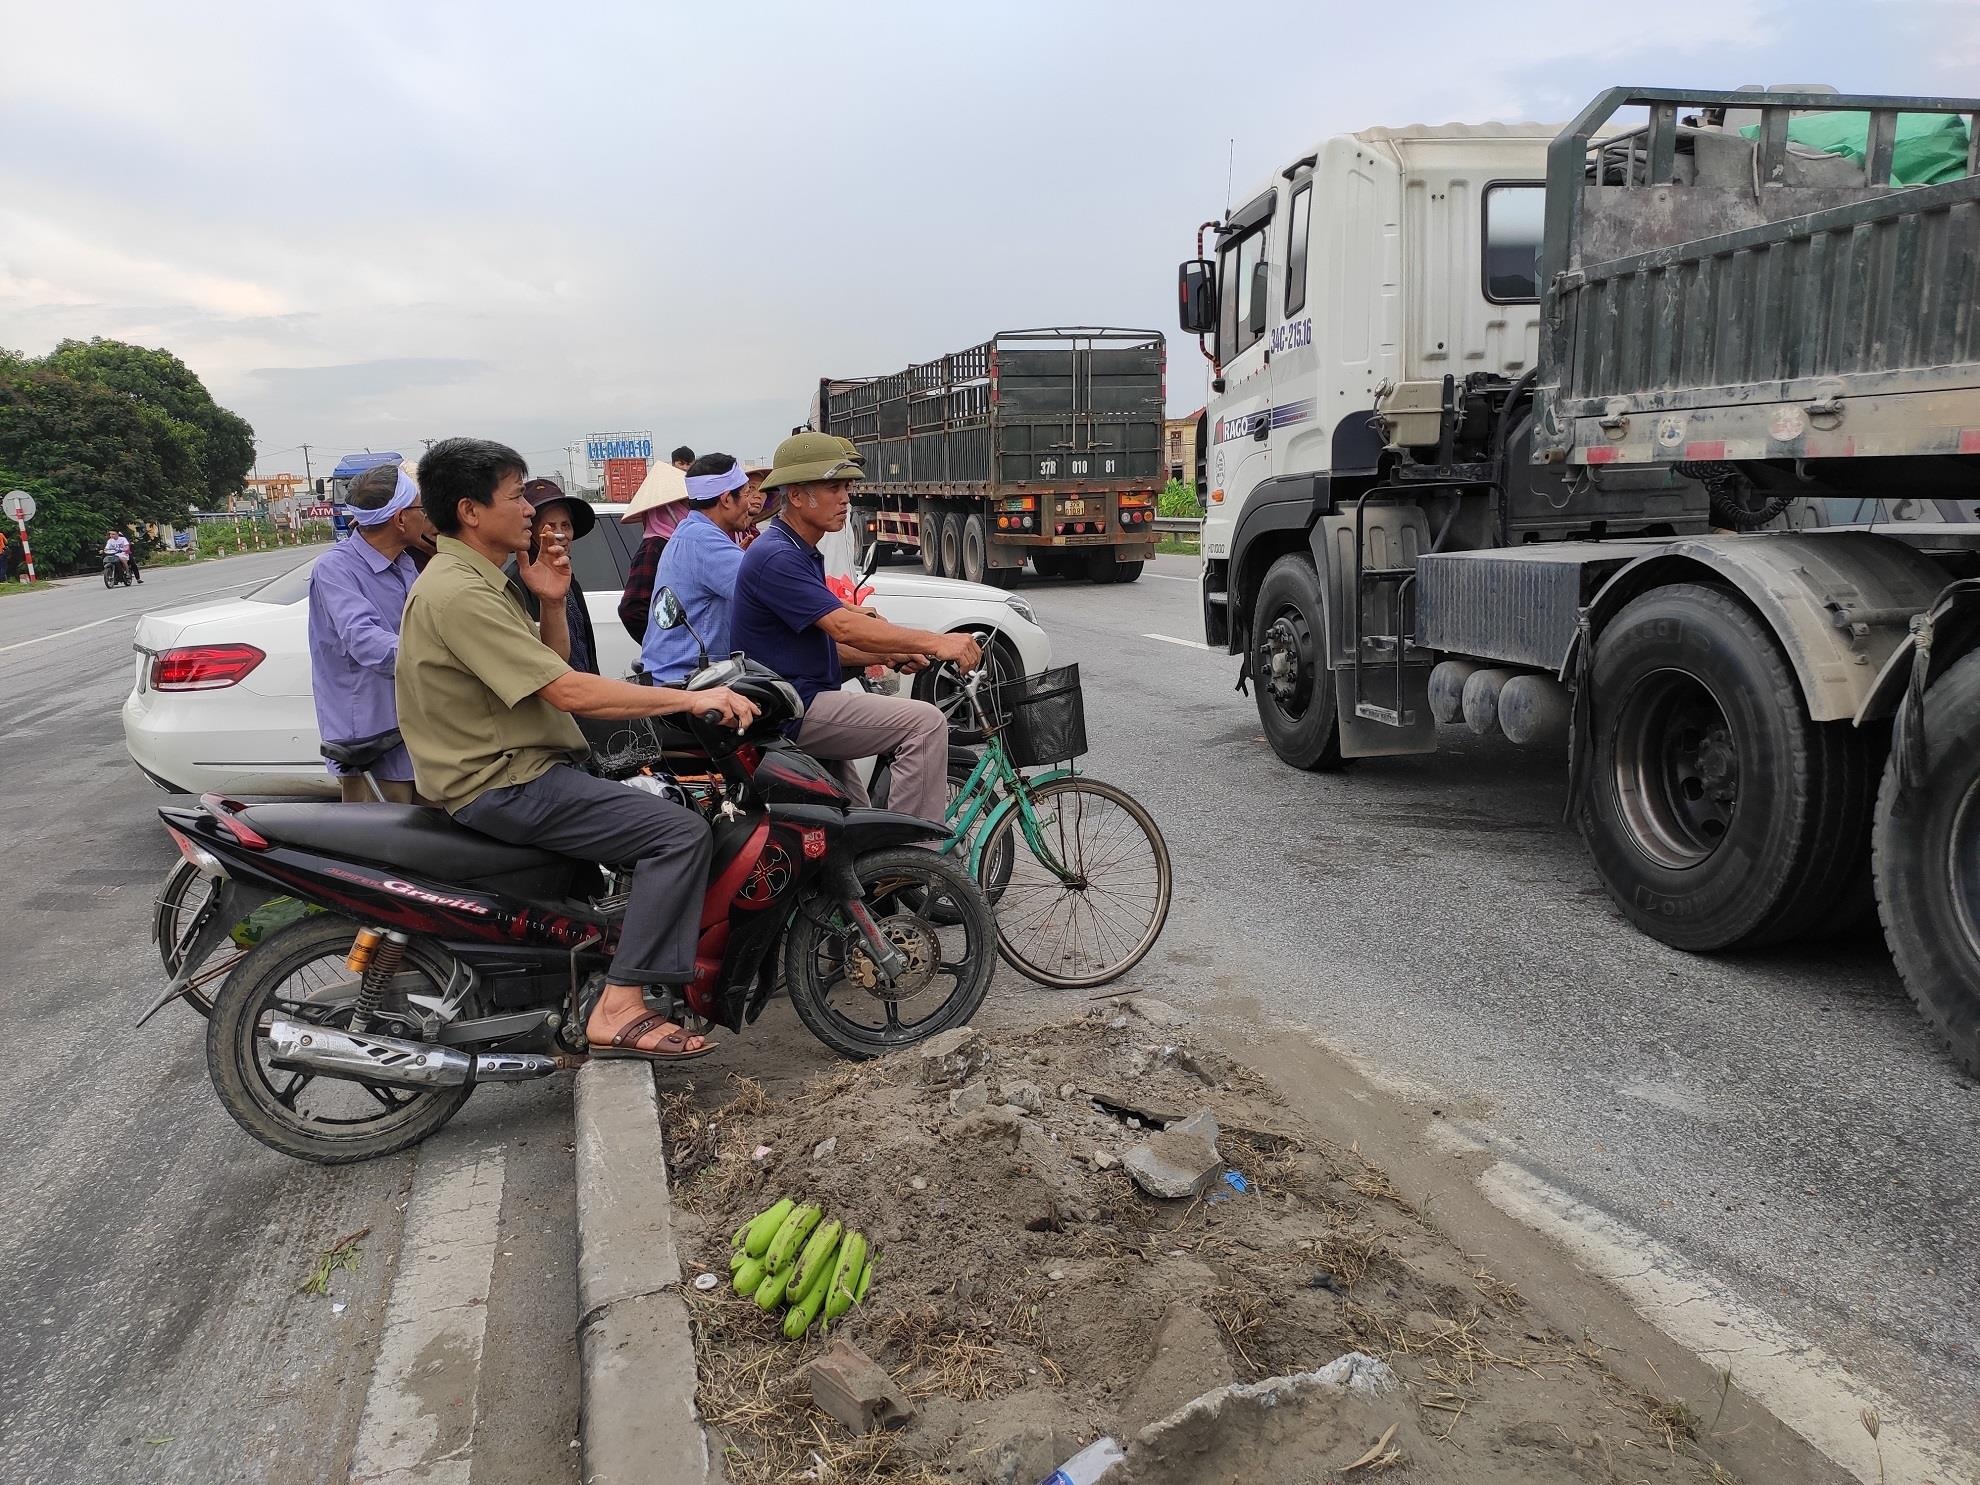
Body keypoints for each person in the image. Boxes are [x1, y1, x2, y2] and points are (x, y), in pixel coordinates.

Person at [396, 437, 759, 1062]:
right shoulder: (458, 593)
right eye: (517, 497)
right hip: (507, 780)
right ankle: (621, 1004)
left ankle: (589, 988)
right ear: (471, 510)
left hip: (515, 768)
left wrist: (551, 600)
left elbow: (548, 666)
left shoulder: (476, 581)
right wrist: (687, 700)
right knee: (676, 834)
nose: (531, 512)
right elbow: (568, 691)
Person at [731, 432, 980, 821]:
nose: (845, 498)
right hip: (794, 707)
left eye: (847, 486)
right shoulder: (777, 556)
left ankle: (882, 870)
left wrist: (890, 652)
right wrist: (936, 642)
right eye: (833, 487)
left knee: (854, 827)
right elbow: (843, 627)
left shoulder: (796, 549)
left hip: (798, 700)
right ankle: (912, 863)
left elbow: (823, 641)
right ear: (796, 496)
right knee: (925, 724)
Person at [306, 464, 433, 803]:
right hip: (373, 738)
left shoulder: (405, 561)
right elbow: (366, 641)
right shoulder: (336, 568)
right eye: (421, 508)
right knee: (386, 843)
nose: (426, 516)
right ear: (400, 519)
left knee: (431, 839)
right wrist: (440, 658)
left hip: (416, 726)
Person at [639, 453, 760, 683]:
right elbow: (771, 594)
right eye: (746, 494)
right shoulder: (704, 540)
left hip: (676, 676)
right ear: (726, 499)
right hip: (690, 681)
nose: (751, 503)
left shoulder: (690, 531)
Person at [507, 480, 600, 674]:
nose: (560, 534)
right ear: (531, 531)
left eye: (565, 525)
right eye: (549, 526)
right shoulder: (518, 582)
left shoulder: (567, 578)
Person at [617, 454, 694, 640]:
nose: (689, 510)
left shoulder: (678, 544)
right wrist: (663, 642)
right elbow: (632, 609)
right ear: (667, 509)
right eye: (684, 504)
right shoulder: (655, 547)